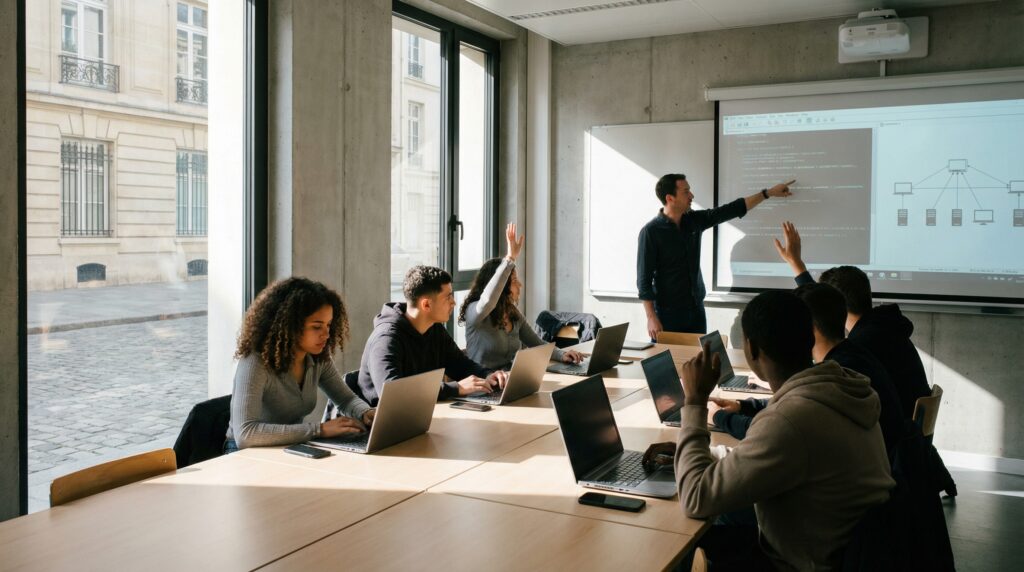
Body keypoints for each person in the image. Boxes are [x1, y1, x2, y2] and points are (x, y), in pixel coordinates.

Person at [644, 291, 894, 570]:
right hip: (838, 548)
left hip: (798, 562)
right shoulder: (839, 389)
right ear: (811, 339)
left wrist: (694, 401)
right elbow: (769, 456)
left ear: (751, 349)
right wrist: (701, 453)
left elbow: (695, 497)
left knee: (682, 530)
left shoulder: (790, 419)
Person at [710, 282, 906, 458]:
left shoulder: (841, 371)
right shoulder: (845, 362)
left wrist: (719, 417)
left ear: (809, 329)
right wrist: (743, 406)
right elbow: (794, 405)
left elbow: (776, 431)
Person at [773, 221, 931, 419]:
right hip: (907, 436)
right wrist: (796, 264)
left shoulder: (861, 347)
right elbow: (822, 302)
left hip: (890, 441)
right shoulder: (884, 327)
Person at [637, 174, 796, 341]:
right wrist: (651, 317)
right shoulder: (651, 232)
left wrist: (768, 193)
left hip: (696, 309)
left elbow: (731, 209)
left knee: (698, 360)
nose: (692, 196)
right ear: (670, 198)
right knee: (669, 364)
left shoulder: (693, 221)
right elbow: (643, 280)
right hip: (668, 313)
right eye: (686, 192)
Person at [226, 277, 373, 451]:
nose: (326, 334)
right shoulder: (255, 363)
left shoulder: (317, 358)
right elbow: (245, 434)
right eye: (317, 327)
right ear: (289, 325)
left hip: (291, 448)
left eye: (328, 325)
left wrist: (366, 412)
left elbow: (346, 399)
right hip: (243, 454)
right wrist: (319, 430)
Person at [358, 265, 509, 405]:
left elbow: (460, 364)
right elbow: (392, 393)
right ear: (426, 305)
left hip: (422, 415)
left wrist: (489, 375)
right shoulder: (386, 339)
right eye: (448, 297)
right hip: (381, 424)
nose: (454, 303)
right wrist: (455, 388)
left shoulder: (434, 329)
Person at [459, 223, 583, 370]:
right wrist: (510, 258)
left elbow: (536, 343)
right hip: (483, 386)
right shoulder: (475, 312)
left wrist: (561, 354)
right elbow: (488, 300)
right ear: (501, 287)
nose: (520, 285)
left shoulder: (511, 312)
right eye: (514, 281)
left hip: (510, 382)